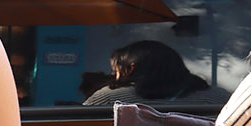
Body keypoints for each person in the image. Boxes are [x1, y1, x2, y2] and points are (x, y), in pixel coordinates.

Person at [83, 40, 227, 108]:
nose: (114, 76)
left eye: (115, 71)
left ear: (130, 68)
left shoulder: (111, 98)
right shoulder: (218, 98)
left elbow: (76, 122)